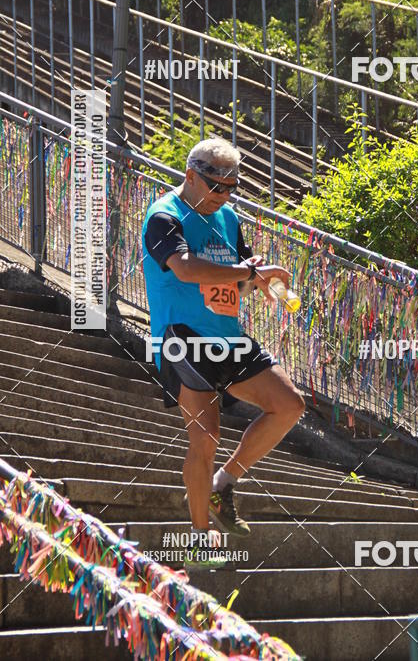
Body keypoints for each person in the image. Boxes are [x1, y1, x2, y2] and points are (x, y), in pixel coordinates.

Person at [141, 137, 305, 540]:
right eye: (216, 187)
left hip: (228, 337)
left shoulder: (228, 218)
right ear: (190, 176)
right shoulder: (164, 216)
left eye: (231, 188)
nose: (224, 195)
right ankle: (200, 537)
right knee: (206, 435)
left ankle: (223, 483)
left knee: (289, 405)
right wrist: (246, 273)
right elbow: (185, 268)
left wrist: (259, 281)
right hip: (182, 337)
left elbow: (239, 278)